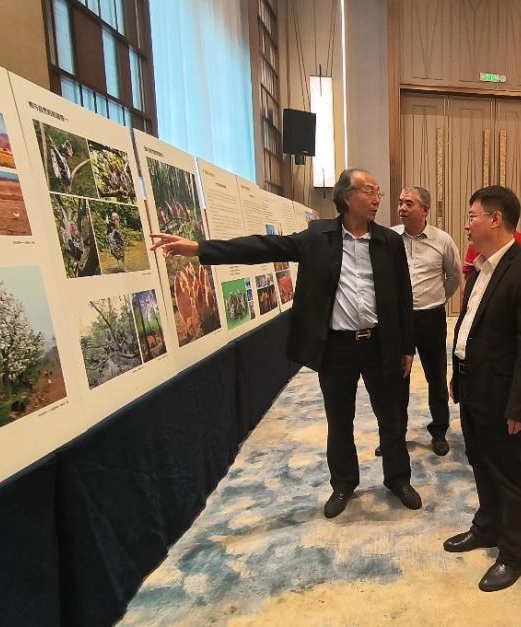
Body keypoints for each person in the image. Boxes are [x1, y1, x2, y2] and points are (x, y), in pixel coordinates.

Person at [150, 168, 422, 519]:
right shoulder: (317, 236)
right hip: (336, 348)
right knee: (340, 420)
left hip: (379, 345)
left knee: (391, 417)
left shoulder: (389, 242)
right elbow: (264, 247)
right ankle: (343, 483)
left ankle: (398, 478)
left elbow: (404, 296)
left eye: (378, 192)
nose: (376, 199)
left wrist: (407, 347)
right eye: (369, 191)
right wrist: (201, 248)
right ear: (346, 196)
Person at [444, 186, 521, 592]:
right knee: (480, 460)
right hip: (473, 384)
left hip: (504, 394)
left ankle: (515, 552)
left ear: (495, 219)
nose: (466, 224)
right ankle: (488, 526)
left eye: (472, 216)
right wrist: (459, 372)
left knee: (511, 473)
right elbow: (471, 326)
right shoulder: (481, 267)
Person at [383, 185, 461, 457]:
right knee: (396, 379)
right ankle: (395, 434)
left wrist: (437, 297)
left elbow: (454, 276)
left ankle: (439, 431)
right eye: (400, 202)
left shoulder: (442, 240)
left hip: (431, 318)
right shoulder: (390, 238)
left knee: (436, 376)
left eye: (409, 203)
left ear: (425, 210)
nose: (402, 208)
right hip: (398, 320)